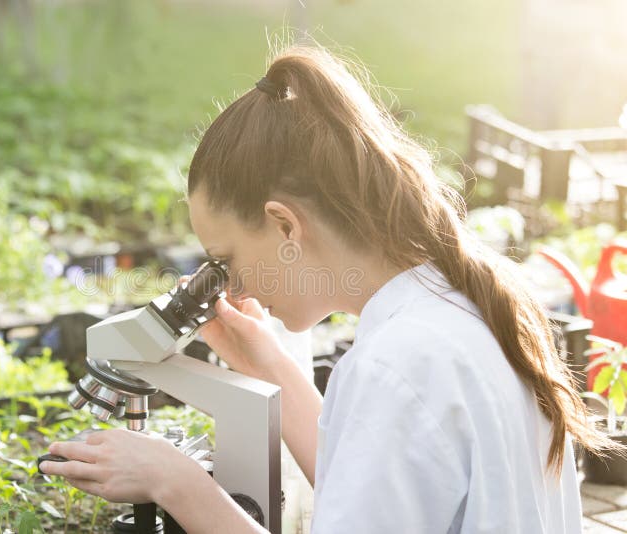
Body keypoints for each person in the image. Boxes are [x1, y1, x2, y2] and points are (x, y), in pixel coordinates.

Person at [39, 43, 611, 533]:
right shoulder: (460, 306)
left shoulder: (397, 365)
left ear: (285, 225)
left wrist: (176, 481)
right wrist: (267, 364)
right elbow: (375, 490)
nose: (229, 283)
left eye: (226, 258)